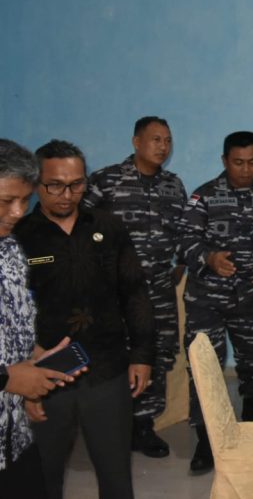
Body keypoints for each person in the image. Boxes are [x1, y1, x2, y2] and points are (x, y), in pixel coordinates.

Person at [15, 140, 154, 499]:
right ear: (37, 183)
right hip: (45, 372)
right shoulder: (19, 236)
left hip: (107, 367)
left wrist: (141, 354)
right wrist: (22, 381)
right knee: (43, 475)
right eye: (55, 185)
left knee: (116, 475)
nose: (67, 195)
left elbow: (134, 292)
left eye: (77, 184)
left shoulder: (108, 226)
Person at [179, 131, 253, 473]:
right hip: (206, 298)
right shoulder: (204, 196)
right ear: (225, 161)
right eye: (238, 163)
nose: (246, 169)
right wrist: (208, 258)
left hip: (250, 298)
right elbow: (185, 241)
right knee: (204, 366)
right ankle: (205, 439)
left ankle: (250, 421)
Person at [84, 116, 186, 457]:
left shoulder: (174, 185)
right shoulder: (106, 181)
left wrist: (179, 263)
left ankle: (143, 426)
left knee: (157, 353)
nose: (163, 146)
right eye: (156, 139)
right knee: (117, 354)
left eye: (167, 140)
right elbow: (78, 227)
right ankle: (117, 424)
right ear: (136, 142)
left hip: (158, 289)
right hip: (116, 291)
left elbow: (184, 231)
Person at [0, 139, 80, 495]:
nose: (18, 212)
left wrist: (36, 362)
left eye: (25, 200)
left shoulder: (10, 251)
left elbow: (14, 326)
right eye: (7, 201)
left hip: (13, 434)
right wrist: (8, 378)